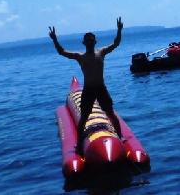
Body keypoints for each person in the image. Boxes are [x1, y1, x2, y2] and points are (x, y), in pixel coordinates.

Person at [49, 17, 124, 154]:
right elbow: (62, 52)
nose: (89, 42)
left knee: (110, 113)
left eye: (91, 40)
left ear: (95, 42)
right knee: (84, 117)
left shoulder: (101, 52)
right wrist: (54, 39)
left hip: (101, 88)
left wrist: (119, 30)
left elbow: (116, 43)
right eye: (87, 40)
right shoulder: (80, 56)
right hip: (88, 90)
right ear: (84, 43)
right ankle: (79, 145)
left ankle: (120, 137)